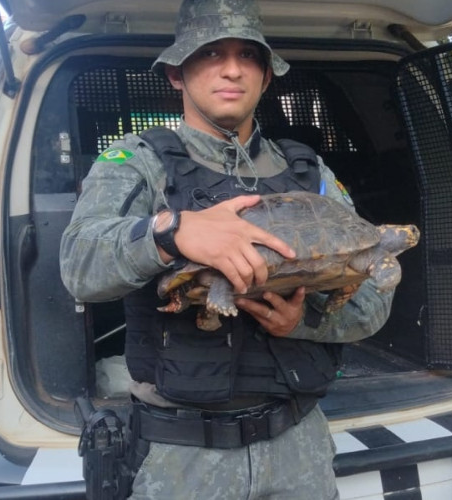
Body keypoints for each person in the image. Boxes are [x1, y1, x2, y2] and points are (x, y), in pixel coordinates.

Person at [60, 0, 395, 498]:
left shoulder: (310, 173)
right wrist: (171, 232)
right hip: (183, 458)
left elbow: (374, 296)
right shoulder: (135, 161)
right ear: (177, 72)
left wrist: (304, 321)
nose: (232, 68)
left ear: (265, 75)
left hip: (299, 447)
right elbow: (78, 265)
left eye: (248, 55)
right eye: (211, 53)